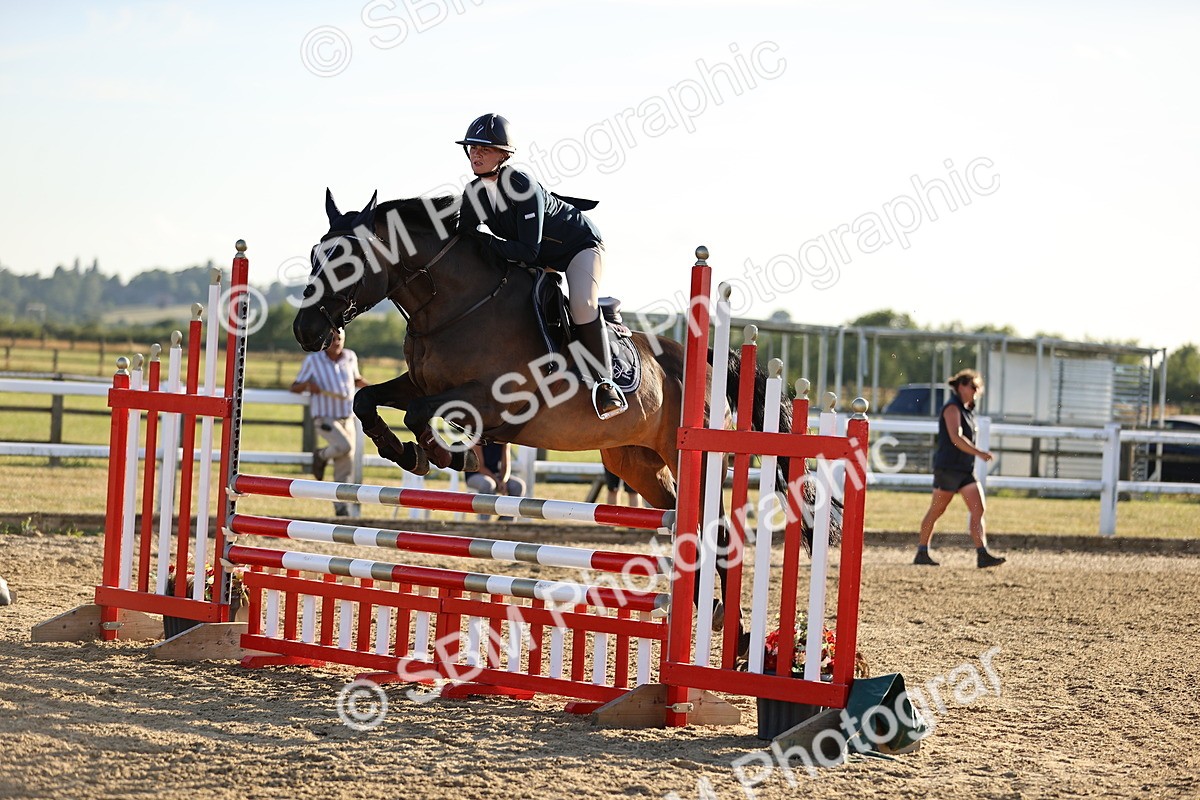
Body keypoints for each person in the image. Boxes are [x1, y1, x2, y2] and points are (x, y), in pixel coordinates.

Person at [453, 113, 627, 420]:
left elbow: (527, 251)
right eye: (472, 148)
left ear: (503, 155)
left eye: (485, 149)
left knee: (582, 305)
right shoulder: (474, 193)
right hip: (538, 254)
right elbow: (465, 240)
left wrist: (483, 241)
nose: (476, 154)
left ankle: (606, 383)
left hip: (578, 246)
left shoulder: (522, 185)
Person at [915, 369, 1007, 568]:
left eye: (977, 388)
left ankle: (982, 553)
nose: (976, 392)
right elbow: (956, 438)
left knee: (978, 508)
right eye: (973, 387)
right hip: (948, 468)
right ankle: (922, 551)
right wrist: (979, 453)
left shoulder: (966, 410)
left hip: (964, 469)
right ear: (961, 386)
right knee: (937, 510)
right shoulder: (952, 408)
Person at [290, 327, 367, 516]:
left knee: (346, 464)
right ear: (324, 340)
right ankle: (321, 455)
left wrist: (377, 391)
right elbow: (294, 387)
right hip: (325, 417)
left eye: (339, 338)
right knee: (345, 447)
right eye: (332, 339)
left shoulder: (350, 357)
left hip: (347, 416)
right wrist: (308, 386)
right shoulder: (313, 360)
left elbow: (356, 379)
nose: (336, 342)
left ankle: (341, 508)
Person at [464, 441, 526, 521]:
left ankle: (504, 524)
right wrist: (497, 481)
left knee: (518, 486)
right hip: (475, 474)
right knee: (488, 484)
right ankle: (483, 523)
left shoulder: (504, 440)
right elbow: (480, 466)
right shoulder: (478, 438)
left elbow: (505, 465)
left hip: (495, 476)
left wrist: (503, 481)